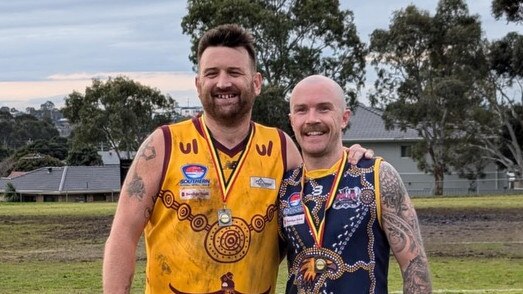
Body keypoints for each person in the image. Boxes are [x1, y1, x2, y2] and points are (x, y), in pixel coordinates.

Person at [103, 24, 372, 293]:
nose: (223, 83)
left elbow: (323, 189)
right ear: (198, 84)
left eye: (234, 72)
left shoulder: (281, 148)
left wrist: (350, 156)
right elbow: (123, 236)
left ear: (256, 83)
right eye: (212, 73)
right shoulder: (163, 145)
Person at [278, 75, 432, 293]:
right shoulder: (285, 186)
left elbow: (414, 266)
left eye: (324, 109)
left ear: (344, 118)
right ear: (292, 120)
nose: (312, 119)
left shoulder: (377, 176)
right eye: (302, 110)